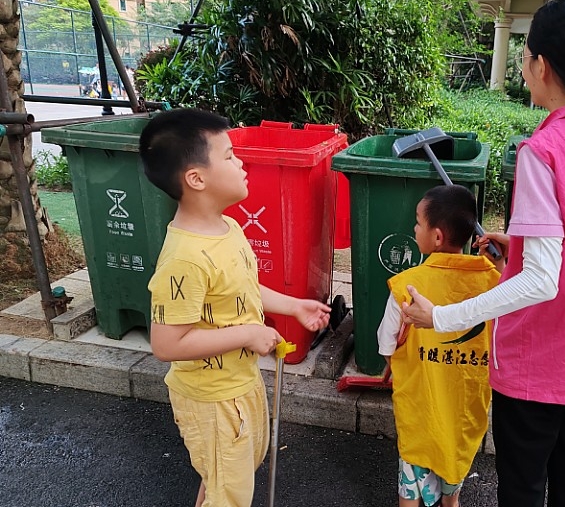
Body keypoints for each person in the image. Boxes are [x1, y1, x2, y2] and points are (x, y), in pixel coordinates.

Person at [401, 0, 565, 507]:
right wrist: (521, 245)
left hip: (542, 362)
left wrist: (441, 316)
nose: (523, 64)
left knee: (523, 485)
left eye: (526, 54)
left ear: (543, 66)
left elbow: (540, 281)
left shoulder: (544, 151)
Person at [139, 108, 331, 507]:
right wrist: (248, 333)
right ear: (196, 179)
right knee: (230, 491)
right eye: (229, 156)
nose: (241, 164)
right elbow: (167, 344)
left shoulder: (229, 228)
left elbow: (243, 289)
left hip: (240, 384)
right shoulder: (185, 257)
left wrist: (294, 306)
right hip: (212, 400)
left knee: (226, 481)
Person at [376, 184, 501, 507]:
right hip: (464, 412)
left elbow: (387, 343)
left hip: (420, 409)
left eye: (418, 222)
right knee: (452, 489)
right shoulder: (493, 282)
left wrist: (395, 366)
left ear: (437, 237)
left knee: (410, 493)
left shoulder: (408, 285)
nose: (414, 228)